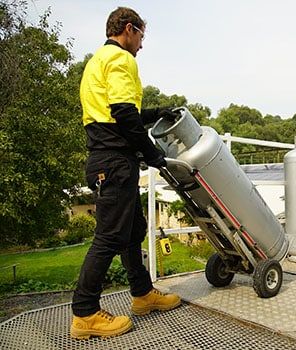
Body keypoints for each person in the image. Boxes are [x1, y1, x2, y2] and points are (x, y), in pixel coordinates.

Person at [71, 7, 181, 339]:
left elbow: (117, 112)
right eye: (141, 37)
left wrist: (156, 113)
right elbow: (123, 114)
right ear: (129, 30)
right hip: (114, 163)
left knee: (133, 230)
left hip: (112, 159)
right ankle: (85, 313)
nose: (141, 46)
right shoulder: (121, 59)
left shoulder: (97, 61)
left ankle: (142, 294)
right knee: (109, 237)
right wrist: (153, 153)